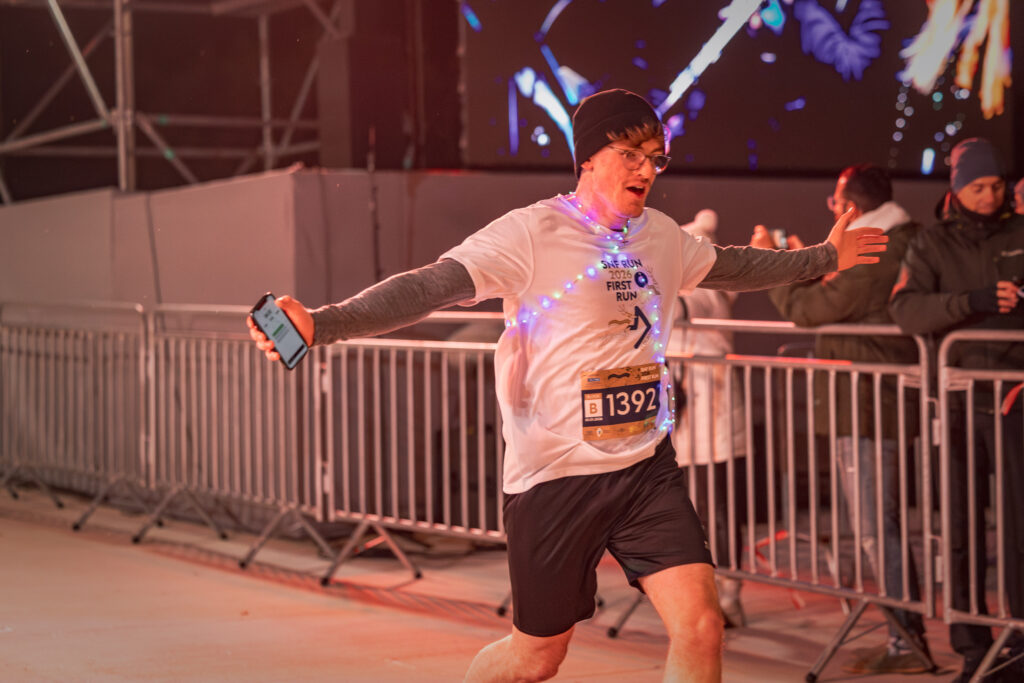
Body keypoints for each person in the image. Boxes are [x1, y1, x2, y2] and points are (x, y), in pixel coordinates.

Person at [248, 89, 887, 682]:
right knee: (536, 657)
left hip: (645, 469)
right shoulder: (531, 233)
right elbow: (428, 287)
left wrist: (824, 257)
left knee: (700, 628)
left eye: (656, 158)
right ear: (588, 156)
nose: (646, 170)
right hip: (555, 479)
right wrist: (325, 324)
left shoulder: (662, 236)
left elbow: (736, 266)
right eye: (631, 154)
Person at [759, 164, 931, 674]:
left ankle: (906, 642)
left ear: (851, 207)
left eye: (835, 203)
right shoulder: (889, 238)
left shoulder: (876, 247)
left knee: (877, 526)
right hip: (867, 401)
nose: (830, 210)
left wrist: (775, 264)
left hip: (867, 405)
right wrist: (808, 263)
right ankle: (905, 637)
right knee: (879, 523)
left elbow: (814, 309)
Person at [889, 137, 1024, 683]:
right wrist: (972, 303)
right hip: (958, 402)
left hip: (1015, 400)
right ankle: (972, 645)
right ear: (957, 188)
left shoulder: (1021, 231)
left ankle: (1019, 637)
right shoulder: (932, 242)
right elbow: (905, 309)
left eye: (996, 185)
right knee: (961, 527)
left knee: (1018, 526)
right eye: (978, 187)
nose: (989, 196)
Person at [669, 208, 748, 629]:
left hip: (711, 424)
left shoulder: (704, 290)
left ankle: (726, 596)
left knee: (716, 514)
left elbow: (672, 308)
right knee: (697, 513)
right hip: (692, 424)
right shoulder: (700, 288)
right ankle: (705, 596)